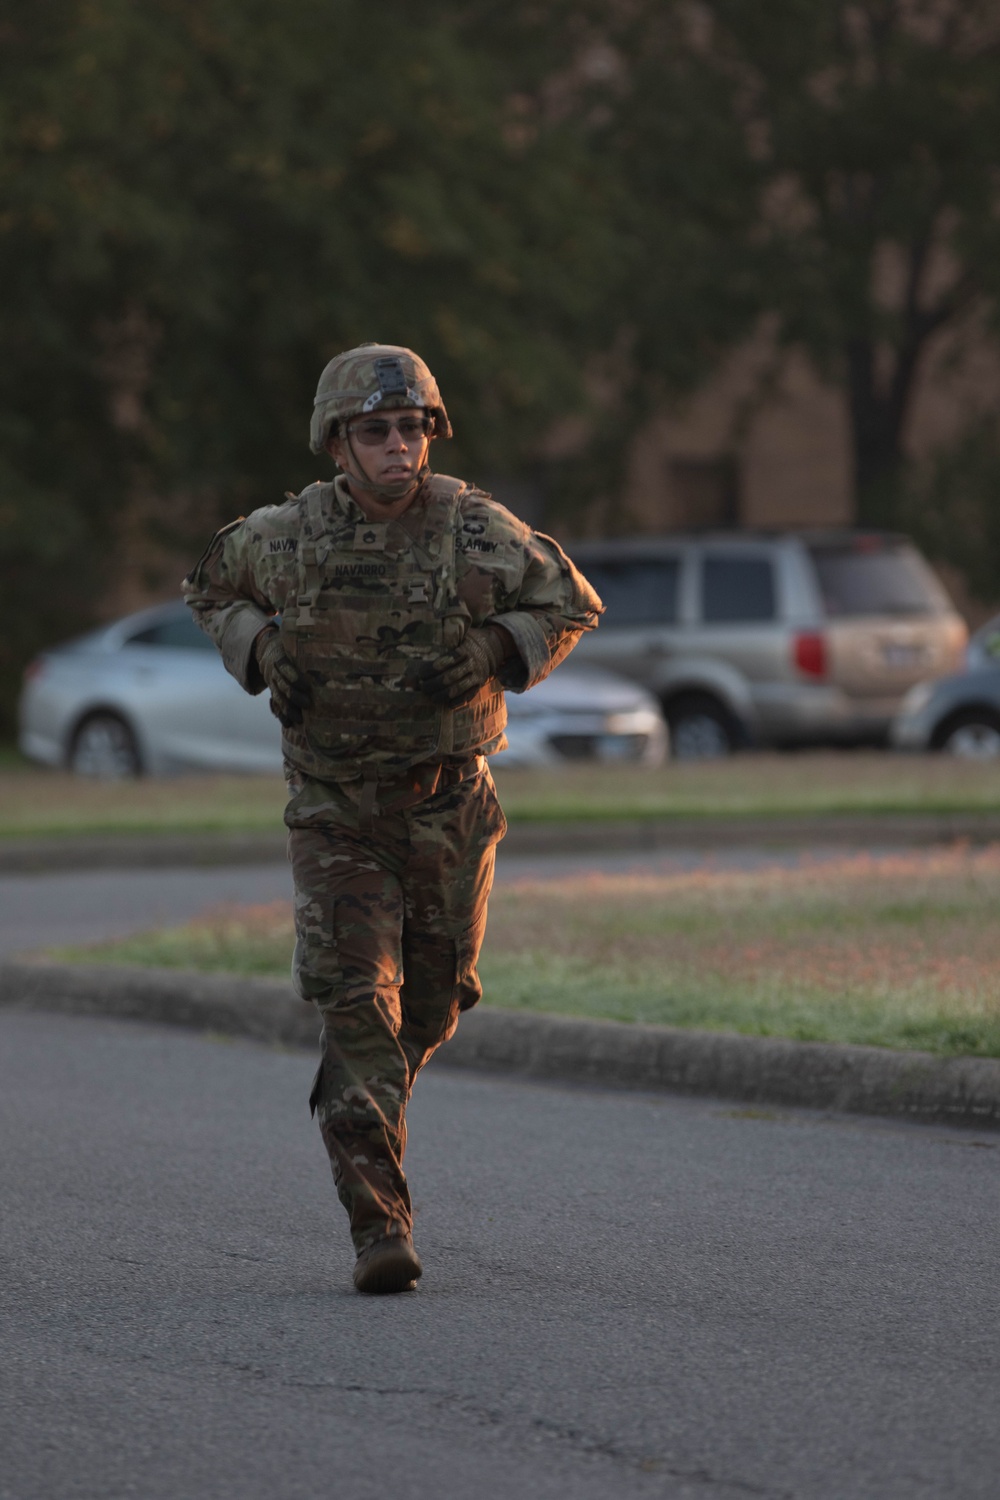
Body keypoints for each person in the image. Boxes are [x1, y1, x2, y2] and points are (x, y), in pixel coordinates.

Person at [182, 343, 601, 1294]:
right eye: (376, 431)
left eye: (411, 428)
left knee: (434, 1004)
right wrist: (260, 644)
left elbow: (570, 603)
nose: (399, 447)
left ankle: (357, 1097)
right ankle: (381, 1227)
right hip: (336, 813)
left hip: (450, 804)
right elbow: (208, 587)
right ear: (338, 443)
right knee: (357, 1005)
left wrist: (502, 641)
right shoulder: (283, 536)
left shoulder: (475, 526)